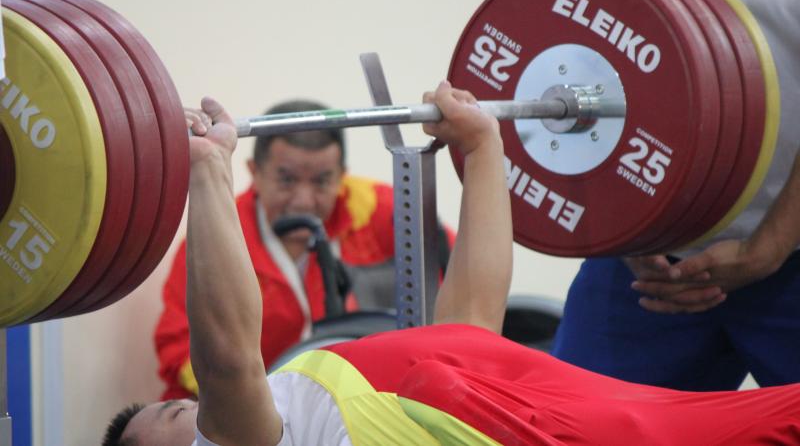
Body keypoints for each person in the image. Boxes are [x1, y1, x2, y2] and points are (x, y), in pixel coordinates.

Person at [104, 84, 800, 446]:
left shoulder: (313, 399)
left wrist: (484, 148)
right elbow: (225, 360)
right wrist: (207, 169)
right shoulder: (242, 435)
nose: (184, 410)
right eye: (166, 419)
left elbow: (470, 328)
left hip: (522, 403)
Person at [552, 0, 800, 391]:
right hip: (647, 265)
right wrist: (629, 230)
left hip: (789, 256)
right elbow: (590, 46)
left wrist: (771, 246)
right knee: (574, 423)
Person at [155, 100, 454, 400]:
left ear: (341, 175)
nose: (304, 201)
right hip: (248, 409)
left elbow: (454, 275)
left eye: (322, 181)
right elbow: (178, 350)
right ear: (254, 172)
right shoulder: (215, 239)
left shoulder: (385, 211)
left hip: (360, 402)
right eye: (286, 180)